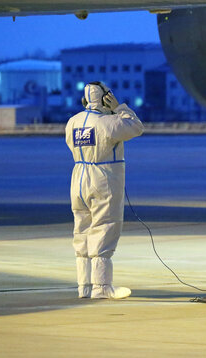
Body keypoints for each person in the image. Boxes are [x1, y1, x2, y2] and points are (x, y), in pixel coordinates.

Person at [65, 81, 143, 299]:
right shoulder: (109, 123)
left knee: (82, 231)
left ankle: (84, 286)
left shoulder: (73, 122)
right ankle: (101, 287)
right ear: (105, 98)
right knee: (104, 228)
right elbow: (137, 127)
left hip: (78, 176)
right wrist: (120, 108)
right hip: (102, 177)